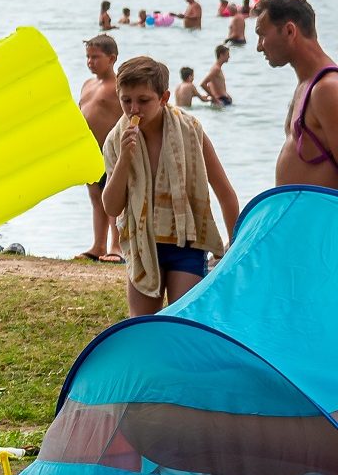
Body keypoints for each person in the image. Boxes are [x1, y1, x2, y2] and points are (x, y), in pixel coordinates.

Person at [100, 56, 241, 316]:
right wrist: (124, 160)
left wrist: (234, 249)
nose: (134, 109)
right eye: (126, 100)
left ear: (164, 98)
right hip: (142, 245)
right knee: (143, 327)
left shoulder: (190, 130)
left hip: (185, 241)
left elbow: (224, 191)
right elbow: (111, 205)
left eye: (143, 101)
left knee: (183, 322)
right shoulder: (116, 140)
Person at [256, 0, 338, 189]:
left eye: (262, 35)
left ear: (290, 31)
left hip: (321, 218)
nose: (259, 47)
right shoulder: (306, 85)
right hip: (301, 217)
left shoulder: (328, 89)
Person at [77, 34, 124, 262]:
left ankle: (116, 247)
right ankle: (98, 245)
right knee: (96, 198)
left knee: (114, 201)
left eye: (95, 57)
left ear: (112, 58)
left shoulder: (119, 86)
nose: (90, 62)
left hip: (112, 152)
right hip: (90, 151)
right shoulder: (88, 85)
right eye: (88, 57)